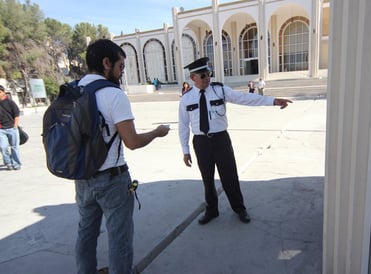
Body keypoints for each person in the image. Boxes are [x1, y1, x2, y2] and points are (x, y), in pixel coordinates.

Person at [75, 39, 170, 274]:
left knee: (86, 233)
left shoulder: (73, 90)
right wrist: (157, 132)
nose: (121, 73)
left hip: (82, 177)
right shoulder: (113, 95)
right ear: (106, 63)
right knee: (119, 238)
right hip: (112, 179)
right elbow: (133, 142)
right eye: (121, 66)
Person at [178, 57, 292, 225]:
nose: (207, 78)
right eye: (203, 76)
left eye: (208, 74)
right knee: (207, 179)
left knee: (230, 176)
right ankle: (211, 211)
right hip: (201, 143)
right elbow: (183, 126)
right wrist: (185, 150)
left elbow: (245, 98)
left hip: (221, 140)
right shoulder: (186, 99)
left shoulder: (220, 90)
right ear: (193, 78)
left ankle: (239, 208)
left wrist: (273, 101)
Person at [0, 85, 22, 170]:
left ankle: (16, 164)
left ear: (3, 92)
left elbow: (16, 114)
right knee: (3, 147)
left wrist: (15, 126)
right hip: (1, 129)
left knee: (14, 147)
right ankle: (8, 163)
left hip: (12, 128)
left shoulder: (10, 102)